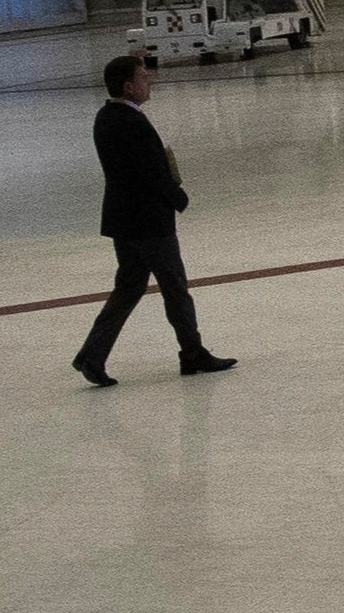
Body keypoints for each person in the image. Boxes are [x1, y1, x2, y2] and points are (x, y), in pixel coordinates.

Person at [74, 54, 236, 385]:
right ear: (128, 86)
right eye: (143, 77)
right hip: (148, 222)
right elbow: (148, 173)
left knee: (129, 288)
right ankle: (192, 352)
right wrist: (178, 198)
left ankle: (92, 355)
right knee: (175, 288)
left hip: (124, 220)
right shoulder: (131, 122)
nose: (150, 81)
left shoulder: (106, 117)